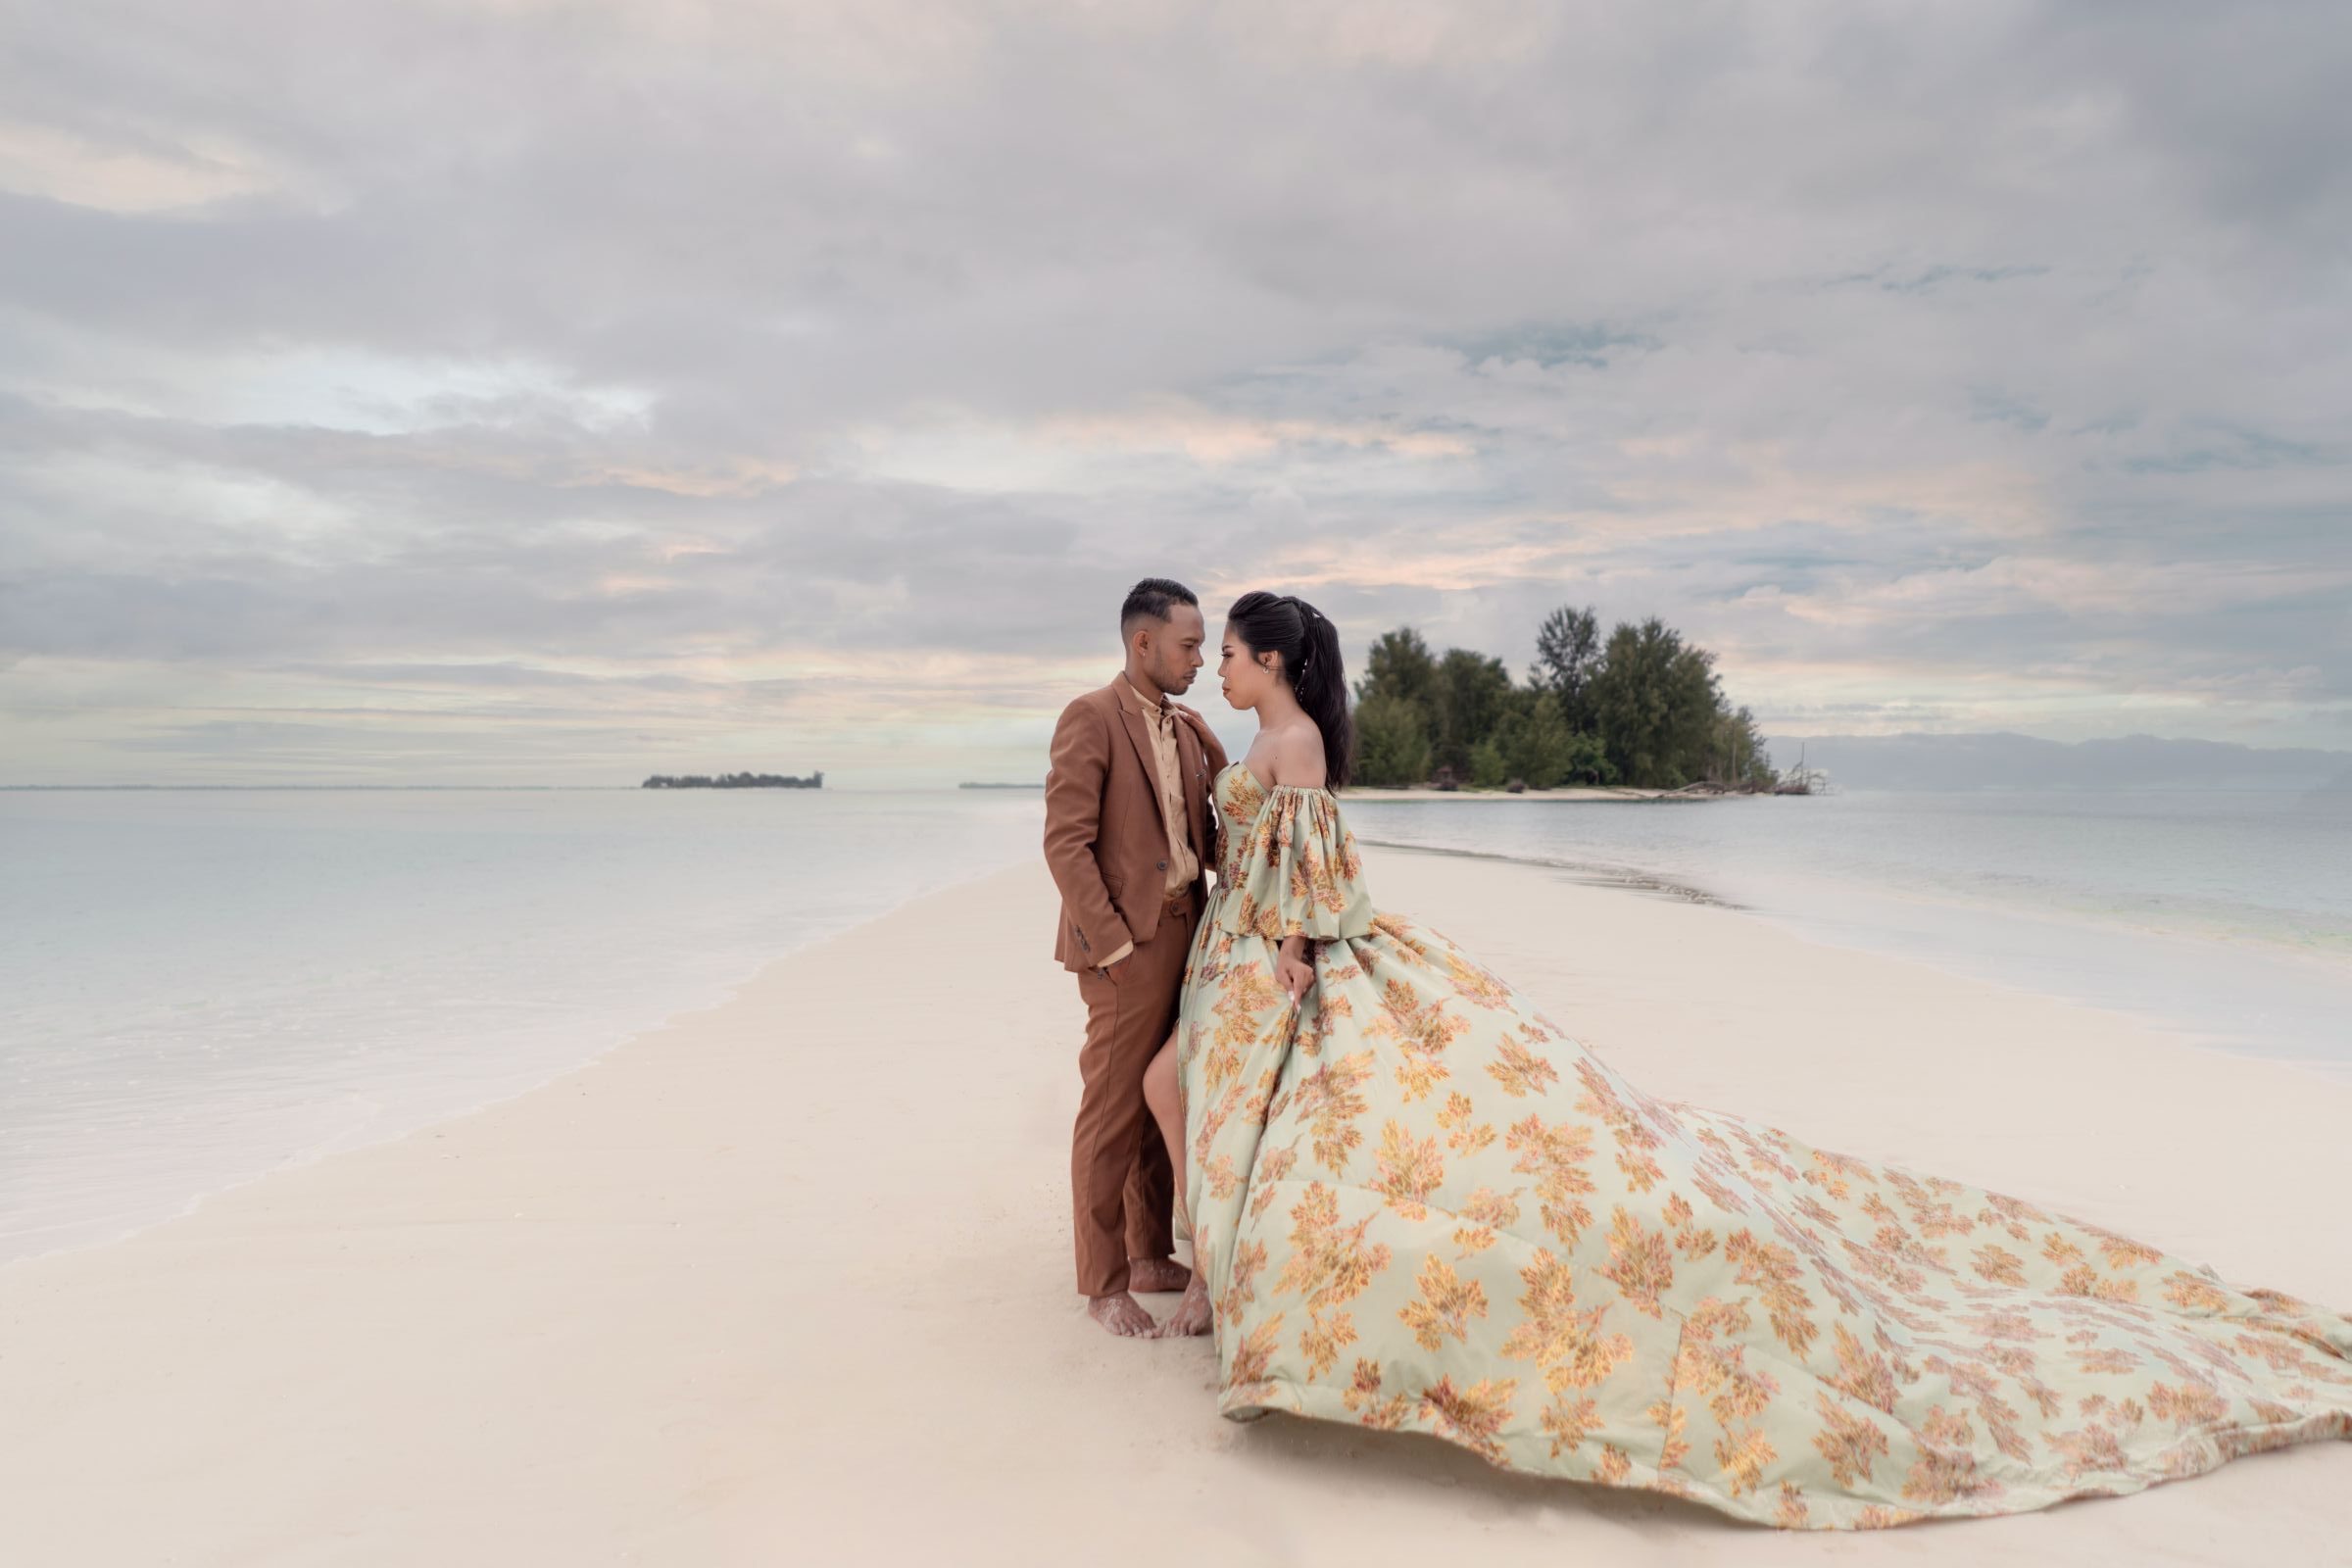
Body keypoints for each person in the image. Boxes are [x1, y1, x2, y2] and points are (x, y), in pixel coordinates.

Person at [1139, 589, 2352, 1528]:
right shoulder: (1251, 733)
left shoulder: (1294, 743)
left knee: (1274, 1113)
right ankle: (1205, 1275)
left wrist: (1289, 956)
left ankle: (1207, 1284)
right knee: (1189, 1093)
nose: (1221, 668)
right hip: (1237, 950)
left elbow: (1316, 871)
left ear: (1274, 661)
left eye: (1231, 653)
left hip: (1274, 957)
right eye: (1214, 654)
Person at [1043, 577, 1231, 1338]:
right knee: (1112, 1112)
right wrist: (1114, 944)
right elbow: (1066, 843)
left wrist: (1215, 752)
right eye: (1188, 645)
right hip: (1126, 946)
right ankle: (1103, 1282)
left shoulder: (1184, 729)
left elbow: (1206, 837)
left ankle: (1150, 1254)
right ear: (1143, 642)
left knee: (1162, 1100)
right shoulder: (1091, 716)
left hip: (1188, 934)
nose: (1199, 660)